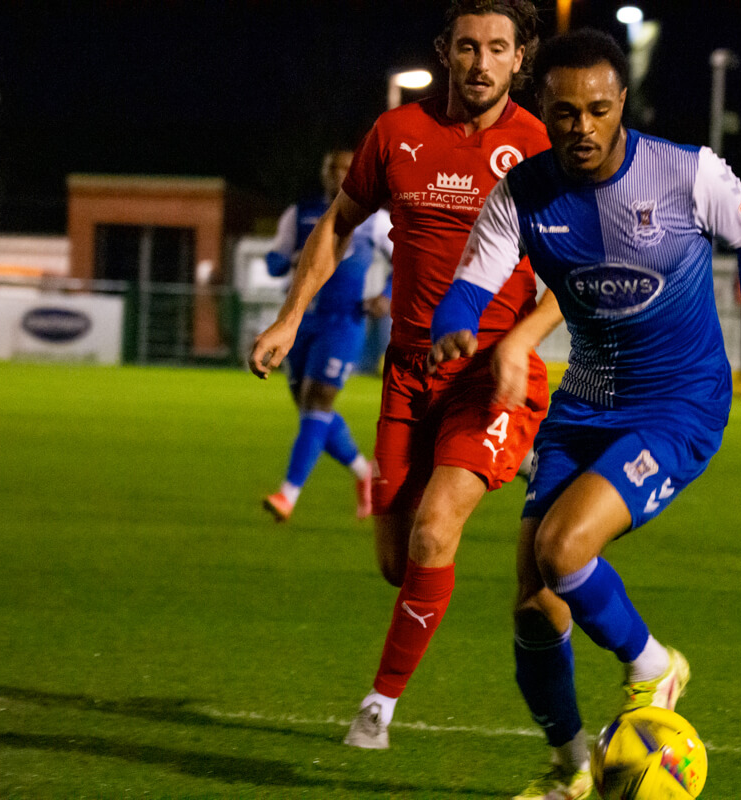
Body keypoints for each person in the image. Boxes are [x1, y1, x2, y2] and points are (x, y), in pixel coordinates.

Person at [431, 29, 741, 800]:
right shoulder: (522, 195)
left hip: (679, 405)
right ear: (543, 110)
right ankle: (571, 773)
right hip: (585, 403)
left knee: (564, 549)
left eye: (598, 109)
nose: (582, 128)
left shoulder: (687, 173)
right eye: (564, 113)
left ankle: (655, 667)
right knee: (533, 605)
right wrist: (450, 327)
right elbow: (471, 285)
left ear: (621, 101)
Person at [249, 0, 552, 750]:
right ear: (445, 51)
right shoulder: (398, 134)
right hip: (408, 377)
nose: (481, 62)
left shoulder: (539, 146)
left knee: (434, 531)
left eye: (498, 49)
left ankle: (378, 708)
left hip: (490, 376)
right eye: (468, 47)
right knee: (397, 562)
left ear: (521, 60)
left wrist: (521, 344)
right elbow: (339, 223)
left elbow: (568, 271)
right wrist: (290, 317)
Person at [261, 149, 382, 523]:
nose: (339, 173)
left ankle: (287, 495)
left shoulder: (373, 220)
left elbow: (406, 255)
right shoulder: (299, 214)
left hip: (344, 321)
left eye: (347, 167)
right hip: (301, 321)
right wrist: (291, 258)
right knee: (309, 406)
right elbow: (272, 261)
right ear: (324, 173)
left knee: (319, 402)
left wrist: (388, 296)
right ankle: (365, 474)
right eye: (333, 168)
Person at [357, 207, 394, 375]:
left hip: (376, 307)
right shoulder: (314, 214)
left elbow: (406, 262)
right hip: (334, 308)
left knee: (372, 369)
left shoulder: (379, 221)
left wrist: (387, 294)